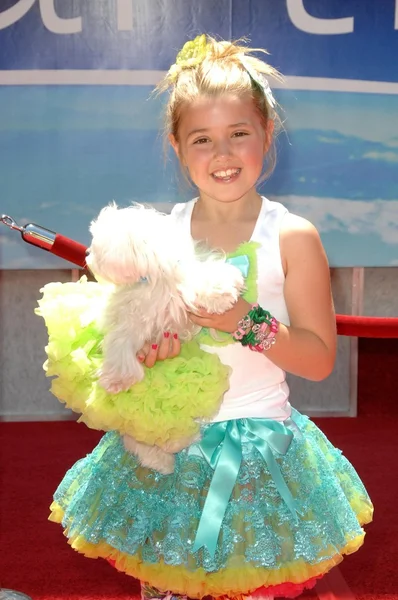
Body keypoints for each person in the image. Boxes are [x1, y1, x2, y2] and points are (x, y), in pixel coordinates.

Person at [47, 35, 373, 600]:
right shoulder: (158, 236)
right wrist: (151, 358)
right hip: (171, 453)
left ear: (266, 134)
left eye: (238, 134)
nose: (222, 155)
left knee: (256, 581)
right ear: (177, 147)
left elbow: (320, 360)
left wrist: (248, 322)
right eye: (202, 139)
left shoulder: (292, 236)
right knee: (169, 584)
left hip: (261, 453)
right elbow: (126, 332)